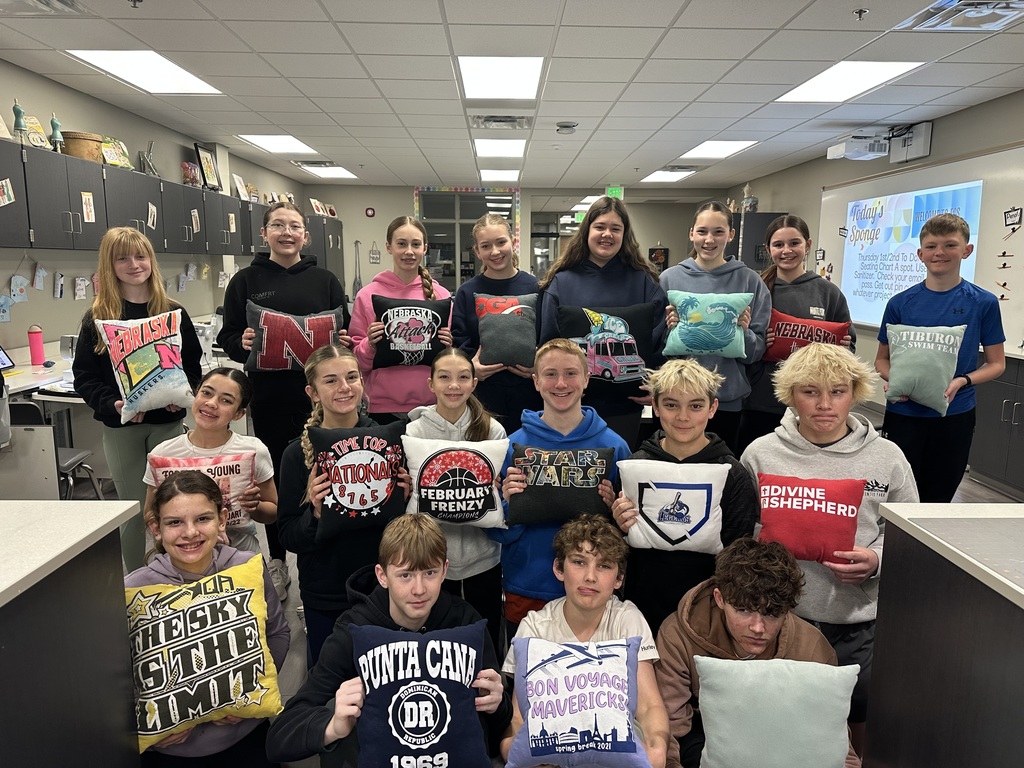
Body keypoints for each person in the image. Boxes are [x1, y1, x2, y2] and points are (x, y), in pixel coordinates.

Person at [741, 343, 919, 755]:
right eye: (810, 392)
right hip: (780, 616)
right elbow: (742, 531)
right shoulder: (761, 454)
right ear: (790, 395)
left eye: (837, 392)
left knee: (858, 711)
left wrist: (877, 559)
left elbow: (909, 531)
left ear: (854, 393)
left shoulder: (887, 457)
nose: (824, 405)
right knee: (782, 713)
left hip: (855, 616)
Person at [266, 513, 512, 766]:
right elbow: (280, 736)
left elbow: (497, 733)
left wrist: (498, 704)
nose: (419, 589)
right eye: (405, 575)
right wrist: (332, 725)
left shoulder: (465, 621)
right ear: (382, 575)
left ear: (444, 571)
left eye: (430, 572)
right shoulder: (353, 629)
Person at [218, 201, 349, 601]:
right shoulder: (245, 280)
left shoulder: (325, 280)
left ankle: (328, 548)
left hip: (323, 400)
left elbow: (343, 332)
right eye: (278, 225)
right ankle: (277, 559)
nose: (286, 232)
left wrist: (343, 341)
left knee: (328, 475)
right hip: (270, 399)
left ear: (305, 236)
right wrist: (239, 342)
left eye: (294, 226)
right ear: (265, 233)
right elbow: (227, 336)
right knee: (274, 479)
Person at [125, 470, 289, 767]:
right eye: (175, 522)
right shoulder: (134, 589)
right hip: (172, 752)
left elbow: (277, 632)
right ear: (156, 528)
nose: (190, 532)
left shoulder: (246, 567)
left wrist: (250, 690)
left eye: (202, 518)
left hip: (245, 737)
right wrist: (140, 726)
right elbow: (117, 675)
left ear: (222, 520)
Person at [655, 538, 860, 768]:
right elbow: (668, 726)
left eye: (771, 614)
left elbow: (831, 737)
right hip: (704, 734)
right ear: (720, 599)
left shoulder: (812, 647)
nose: (758, 628)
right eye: (743, 610)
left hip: (782, 736)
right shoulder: (678, 635)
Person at [73, 226, 202, 572]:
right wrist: (113, 404)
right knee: (133, 512)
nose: (134, 265)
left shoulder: (173, 312)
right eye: (123, 258)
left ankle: (180, 575)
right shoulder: (97, 318)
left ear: (151, 260)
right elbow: (84, 377)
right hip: (122, 430)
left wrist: (182, 394)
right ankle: (135, 585)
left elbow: (192, 366)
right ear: (109, 265)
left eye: (140, 256)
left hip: (168, 425)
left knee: (175, 507)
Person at [501, 514, 670, 768]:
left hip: (615, 753)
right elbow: (518, 716)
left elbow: (648, 706)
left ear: (619, 579)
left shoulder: (627, 618)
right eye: (579, 562)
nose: (590, 576)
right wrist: (513, 748)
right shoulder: (535, 626)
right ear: (559, 569)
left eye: (604, 566)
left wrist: (658, 747)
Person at [494, 338, 630, 634]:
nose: (560, 383)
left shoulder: (616, 446)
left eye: (570, 373)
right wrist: (508, 505)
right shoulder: (509, 447)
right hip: (528, 584)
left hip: (594, 589)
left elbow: (629, 530)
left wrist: (614, 513)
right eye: (550, 374)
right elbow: (497, 533)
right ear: (535, 381)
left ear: (586, 379)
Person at [611, 359, 759, 631]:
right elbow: (616, 545)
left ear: (712, 408)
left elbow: (739, 549)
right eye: (671, 405)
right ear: (655, 406)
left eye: (695, 406)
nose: (683, 417)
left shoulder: (733, 474)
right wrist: (618, 525)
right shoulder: (634, 465)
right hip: (641, 603)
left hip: (707, 608)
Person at [874, 212, 1005, 503]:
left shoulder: (983, 302)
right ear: (920, 254)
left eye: (950, 245)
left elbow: (997, 363)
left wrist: (962, 381)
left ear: (966, 250)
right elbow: (881, 361)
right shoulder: (900, 303)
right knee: (897, 496)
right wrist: (897, 379)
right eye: (931, 246)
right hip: (904, 414)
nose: (940, 253)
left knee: (939, 497)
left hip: (955, 415)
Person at [276, 343, 390, 667]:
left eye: (352, 377)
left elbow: (403, 524)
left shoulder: (388, 440)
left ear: (362, 382)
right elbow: (288, 536)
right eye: (331, 380)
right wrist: (314, 512)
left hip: (382, 586)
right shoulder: (296, 455)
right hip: (325, 591)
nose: (345, 387)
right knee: (328, 679)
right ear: (312, 392)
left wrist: (407, 496)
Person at [537, 196, 668, 447]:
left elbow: (661, 341)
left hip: (625, 407)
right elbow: (547, 344)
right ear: (587, 231)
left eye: (615, 228)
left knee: (618, 466)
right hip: (568, 406)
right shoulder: (562, 282)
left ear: (624, 234)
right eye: (600, 227)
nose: (607, 234)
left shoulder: (643, 281)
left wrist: (657, 384)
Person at [406, 347, 506, 652]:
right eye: (444, 377)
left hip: (483, 557)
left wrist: (501, 486)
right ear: (431, 383)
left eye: (463, 377)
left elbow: (504, 493)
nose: (454, 385)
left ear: (474, 383)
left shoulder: (493, 430)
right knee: (436, 644)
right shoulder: (414, 431)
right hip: (431, 559)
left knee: (485, 641)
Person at [659, 201, 770, 454]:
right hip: (676, 398)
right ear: (691, 234)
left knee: (722, 467)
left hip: (727, 398)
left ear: (731, 234)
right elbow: (657, 346)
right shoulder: (669, 279)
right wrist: (669, 330)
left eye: (718, 232)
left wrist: (743, 332)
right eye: (702, 231)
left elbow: (757, 351)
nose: (709, 240)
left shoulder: (750, 281)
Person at [738, 214, 854, 452]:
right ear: (769, 249)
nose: (786, 251)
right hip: (761, 400)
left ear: (807, 245)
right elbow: (740, 343)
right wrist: (758, 341)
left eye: (794, 243)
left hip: (811, 405)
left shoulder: (828, 293)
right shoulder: (755, 290)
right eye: (778, 245)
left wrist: (841, 349)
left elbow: (848, 348)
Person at [142, 367, 277, 556]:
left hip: (241, 555)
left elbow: (273, 512)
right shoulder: (164, 453)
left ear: (238, 414)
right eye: (206, 393)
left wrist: (255, 507)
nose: (212, 403)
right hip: (184, 555)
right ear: (195, 394)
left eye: (226, 400)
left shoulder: (254, 450)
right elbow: (149, 513)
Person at [349, 215, 453, 423]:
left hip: (433, 404)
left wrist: (448, 347)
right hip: (382, 406)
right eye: (402, 244)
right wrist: (370, 344)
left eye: (416, 244)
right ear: (389, 247)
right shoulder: (367, 295)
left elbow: (447, 360)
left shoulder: (441, 295)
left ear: (425, 248)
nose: (409, 251)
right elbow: (355, 363)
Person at [452, 213, 541, 433]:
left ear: (513, 242)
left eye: (501, 242)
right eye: (486, 246)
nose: (495, 251)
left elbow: (547, 334)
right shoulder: (467, 291)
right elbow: (459, 339)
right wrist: (470, 368)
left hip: (529, 391)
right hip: (483, 392)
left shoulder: (536, 287)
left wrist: (539, 364)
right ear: (477, 251)